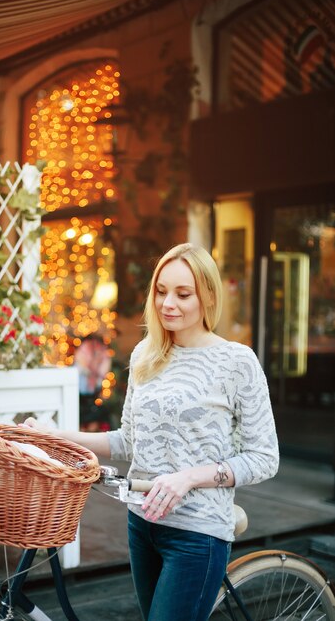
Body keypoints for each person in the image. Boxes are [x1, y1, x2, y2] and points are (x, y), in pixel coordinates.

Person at [23, 242, 279, 621]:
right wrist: (55, 435)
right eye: (161, 291)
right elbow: (128, 441)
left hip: (197, 534)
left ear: (208, 295)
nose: (167, 303)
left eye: (182, 293)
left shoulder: (236, 361)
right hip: (142, 524)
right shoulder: (147, 352)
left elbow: (265, 458)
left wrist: (188, 479)